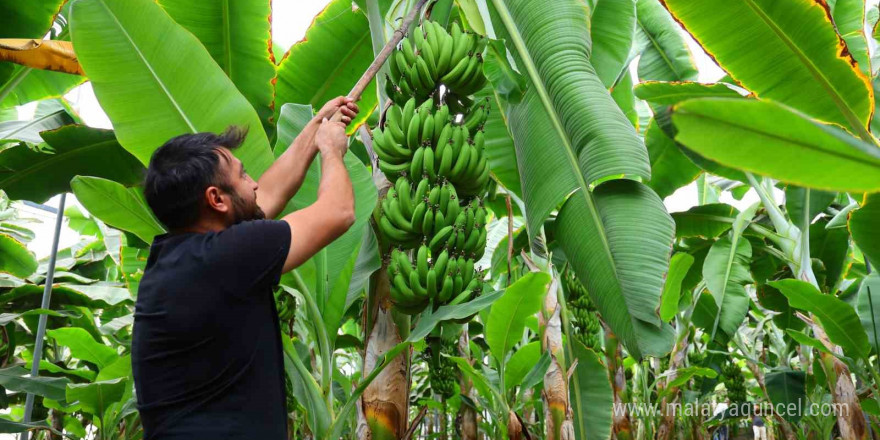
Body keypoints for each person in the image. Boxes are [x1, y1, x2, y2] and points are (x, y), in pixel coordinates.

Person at [131, 96, 359, 439]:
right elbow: (338, 212)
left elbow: (267, 194)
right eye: (243, 174)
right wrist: (331, 151)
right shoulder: (228, 256)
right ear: (216, 199)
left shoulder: (187, 257)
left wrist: (315, 128)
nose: (253, 182)